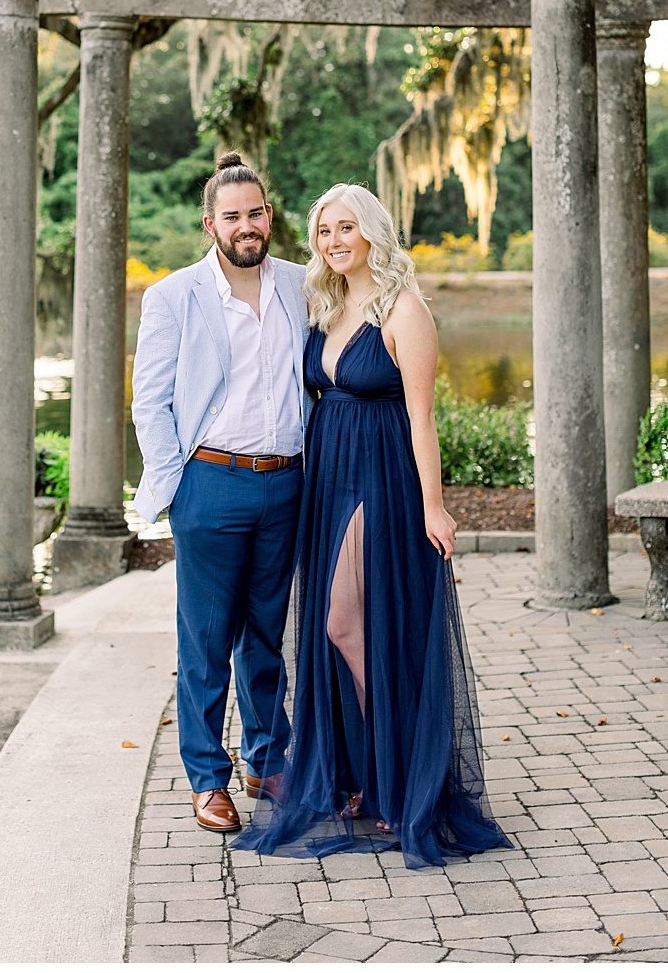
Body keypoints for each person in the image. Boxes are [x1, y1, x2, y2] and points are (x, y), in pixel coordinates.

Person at [232, 183, 508, 867]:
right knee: (338, 630)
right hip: (328, 478)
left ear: (372, 232)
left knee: (350, 623)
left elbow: (421, 417)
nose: (333, 241)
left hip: (381, 478)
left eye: (346, 227)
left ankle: (396, 783)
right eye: (324, 230)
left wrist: (434, 505)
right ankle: (358, 778)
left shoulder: (403, 309)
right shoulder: (324, 306)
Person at [132, 152, 311, 833]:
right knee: (205, 640)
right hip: (211, 483)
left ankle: (268, 761)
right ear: (211, 223)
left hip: (287, 483)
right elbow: (149, 402)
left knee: (266, 637)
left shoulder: (301, 283)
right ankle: (207, 779)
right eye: (233, 216)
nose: (246, 225)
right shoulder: (174, 296)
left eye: (256, 213)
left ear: (270, 216)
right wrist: (179, 483)